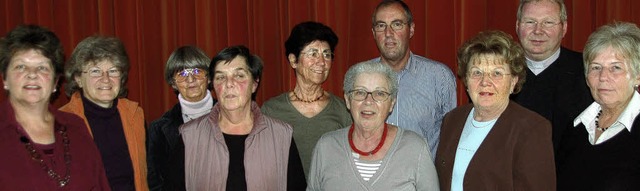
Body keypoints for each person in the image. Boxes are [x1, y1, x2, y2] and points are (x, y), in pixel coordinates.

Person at [435, 31, 556, 190]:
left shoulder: (532, 128)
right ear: (465, 80)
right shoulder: (452, 119)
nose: (485, 82)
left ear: (513, 81)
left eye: (496, 73)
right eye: (477, 72)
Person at [180, 45, 306, 190]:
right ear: (213, 86)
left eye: (239, 76)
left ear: (254, 84)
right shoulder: (189, 136)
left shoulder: (281, 135)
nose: (229, 84)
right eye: (221, 77)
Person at [0, 25, 110, 190]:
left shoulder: (76, 127)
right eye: (20, 66)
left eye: (43, 67)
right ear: (5, 79)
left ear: (55, 82)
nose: (32, 74)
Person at [307, 61, 439, 190]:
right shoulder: (326, 147)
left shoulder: (415, 148)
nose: (368, 101)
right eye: (360, 92)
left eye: (379, 93)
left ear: (392, 103)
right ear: (348, 100)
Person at [261, 21, 352, 177]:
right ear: (293, 60)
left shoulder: (343, 110)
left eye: (327, 54)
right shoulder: (271, 110)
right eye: (313, 53)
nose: (322, 62)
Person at [557, 22, 640, 190]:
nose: (603, 77)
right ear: (587, 77)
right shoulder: (576, 128)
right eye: (596, 67)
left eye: (615, 68)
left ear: (637, 76)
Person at [368, 0, 456, 155]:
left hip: (423, 177)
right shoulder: (360, 77)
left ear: (411, 29)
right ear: (374, 33)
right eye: (381, 26)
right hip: (372, 176)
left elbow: (453, 137)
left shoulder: (440, 77)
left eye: (397, 24)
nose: (388, 33)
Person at [59, 36, 147, 191]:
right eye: (95, 71)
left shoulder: (135, 115)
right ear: (78, 79)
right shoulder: (62, 122)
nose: (105, 79)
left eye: (113, 71)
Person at [512, 0, 593, 152]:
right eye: (530, 22)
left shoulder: (589, 71)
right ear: (517, 26)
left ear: (564, 28)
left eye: (548, 23)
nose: (538, 30)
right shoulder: (497, 73)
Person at [147, 46, 216, 191]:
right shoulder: (159, 129)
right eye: (182, 74)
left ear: (209, 77)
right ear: (173, 83)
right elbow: (155, 183)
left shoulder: (234, 115)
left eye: (197, 71)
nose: (190, 79)